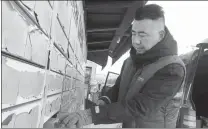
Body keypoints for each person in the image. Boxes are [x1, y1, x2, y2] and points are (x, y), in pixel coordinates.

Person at [57, 4, 186, 128]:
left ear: (160, 35)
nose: (135, 41)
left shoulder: (172, 69)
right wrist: (104, 102)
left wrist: (91, 115)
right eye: (134, 33)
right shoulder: (130, 62)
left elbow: (140, 107)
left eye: (142, 35)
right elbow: (118, 89)